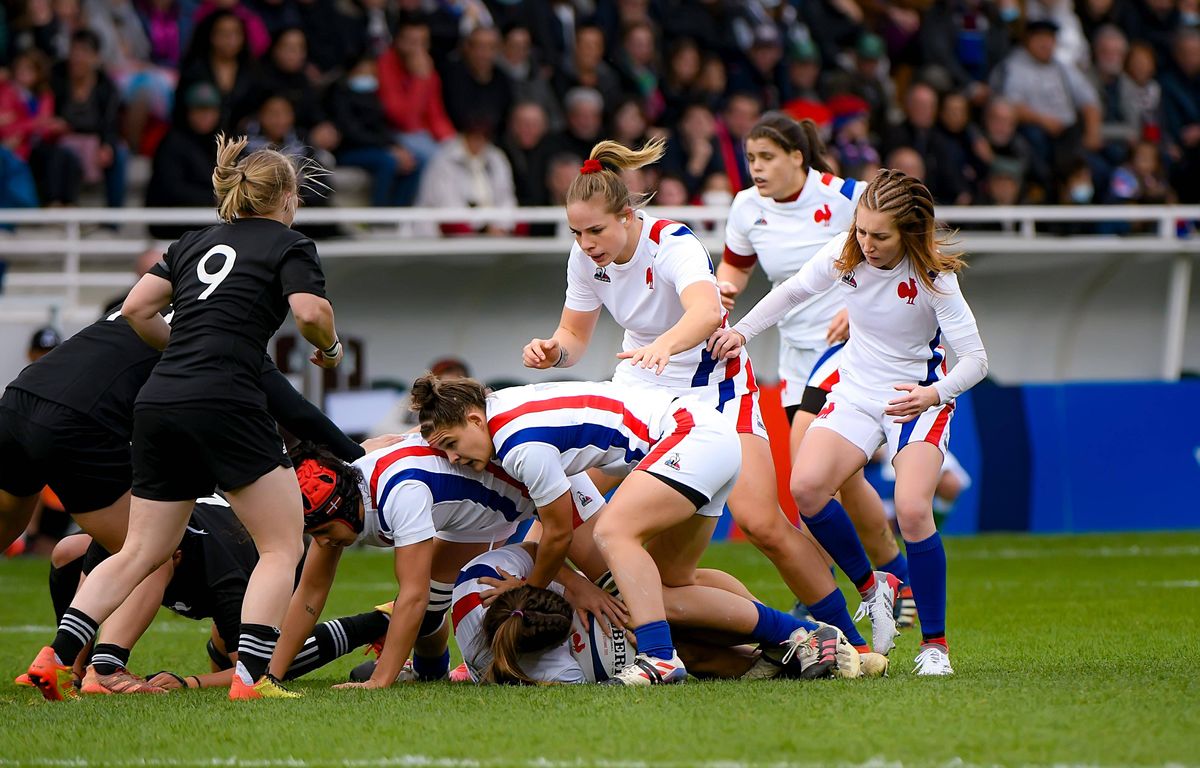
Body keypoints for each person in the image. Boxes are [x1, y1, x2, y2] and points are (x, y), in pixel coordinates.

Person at [24, 134, 343, 702]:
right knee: (280, 544)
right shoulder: (289, 243)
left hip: (160, 399)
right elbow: (310, 311)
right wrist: (331, 346)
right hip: (227, 400)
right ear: (288, 199)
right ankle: (251, 682)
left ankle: (55, 657)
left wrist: (179, 351)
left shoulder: (194, 241)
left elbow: (138, 309)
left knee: (141, 551)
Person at [709, 170, 989, 676]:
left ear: (909, 232)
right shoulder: (846, 253)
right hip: (856, 392)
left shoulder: (934, 279)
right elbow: (792, 292)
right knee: (809, 488)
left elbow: (975, 360)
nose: (866, 243)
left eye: (879, 235)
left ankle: (935, 648)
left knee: (911, 510)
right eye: (861, 230)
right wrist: (743, 331)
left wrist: (933, 393)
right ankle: (873, 587)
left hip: (917, 398)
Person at [412, 376, 862, 686]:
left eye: (451, 446)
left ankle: (661, 658)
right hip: (704, 435)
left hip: (689, 436)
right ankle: (801, 639)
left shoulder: (516, 444)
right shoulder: (505, 413)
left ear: (474, 419)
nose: (452, 460)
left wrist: (530, 589)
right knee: (668, 588)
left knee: (616, 535)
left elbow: (555, 536)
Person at [718, 113, 908, 653]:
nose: (756, 168)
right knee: (839, 484)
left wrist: (862, 304)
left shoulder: (848, 195)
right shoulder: (745, 208)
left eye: (767, 157)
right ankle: (895, 577)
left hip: (847, 353)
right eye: (751, 158)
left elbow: (899, 248)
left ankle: (820, 595)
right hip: (796, 358)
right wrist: (720, 294)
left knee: (804, 477)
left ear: (798, 158)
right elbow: (735, 269)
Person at [267, 438, 611, 692]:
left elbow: (411, 595)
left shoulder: (401, 493)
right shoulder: (342, 494)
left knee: (614, 588)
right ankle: (429, 670)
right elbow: (310, 592)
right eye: (314, 534)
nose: (323, 542)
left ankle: (659, 654)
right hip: (481, 511)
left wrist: (378, 680)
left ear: (342, 506)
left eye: (324, 531)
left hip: (542, 486)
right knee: (431, 606)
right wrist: (272, 677)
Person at [452, 542, 880, 684]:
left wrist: (579, 586)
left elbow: (534, 548)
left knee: (675, 594)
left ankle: (796, 636)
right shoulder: (546, 669)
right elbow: (586, 684)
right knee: (689, 650)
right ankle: (777, 659)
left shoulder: (483, 578)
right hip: (607, 656)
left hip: (598, 592)